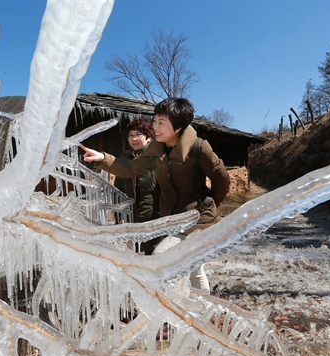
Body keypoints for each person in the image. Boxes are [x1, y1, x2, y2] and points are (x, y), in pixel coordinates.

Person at [80, 97, 230, 294]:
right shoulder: (156, 149)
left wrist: (209, 208)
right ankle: (199, 309)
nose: (155, 127)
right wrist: (103, 158)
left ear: (177, 128)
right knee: (194, 267)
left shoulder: (199, 148)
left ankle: (178, 307)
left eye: (161, 122)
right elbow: (130, 168)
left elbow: (222, 180)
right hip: (174, 218)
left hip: (197, 219)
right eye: (155, 120)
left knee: (163, 257)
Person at [114, 118, 160, 254]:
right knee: (134, 260)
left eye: (138, 134)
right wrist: (119, 217)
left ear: (149, 136)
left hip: (154, 220)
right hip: (131, 221)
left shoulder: (156, 158)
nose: (134, 139)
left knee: (155, 258)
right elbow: (118, 190)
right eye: (131, 135)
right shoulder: (123, 159)